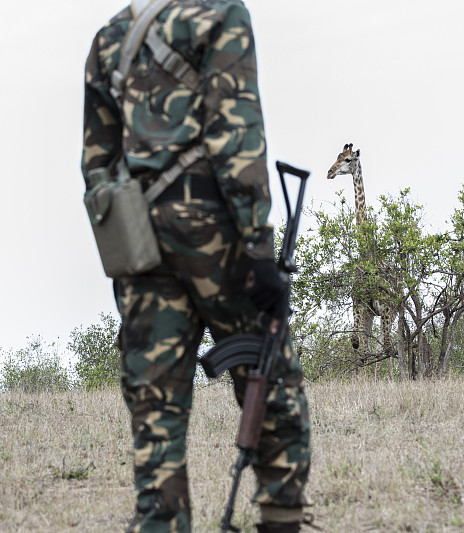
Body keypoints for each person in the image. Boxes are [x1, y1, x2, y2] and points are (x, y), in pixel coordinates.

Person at [81, 1, 311, 531]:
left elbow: (96, 164)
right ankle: (280, 517)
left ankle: (160, 523)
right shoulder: (221, 15)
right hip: (218, 237)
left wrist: (128, 247)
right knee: (270, 380)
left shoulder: (110, 37)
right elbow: (237, 134)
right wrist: (258, 247)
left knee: (155, 412)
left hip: (140, 248)